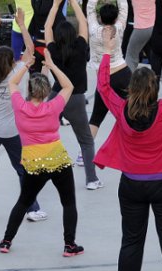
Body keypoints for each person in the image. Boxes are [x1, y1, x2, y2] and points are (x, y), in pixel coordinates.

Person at [93, 11, 162, 270]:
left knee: (131, 243)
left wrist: (107, 51)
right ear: (155, 89)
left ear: (131, 89)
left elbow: (104, 86)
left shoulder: (121, 110)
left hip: (131, 185)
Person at [0, 49, 83, 257]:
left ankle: (7, 241)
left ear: (29, 89)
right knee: (68, 202)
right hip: (58, 160)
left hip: (34, 163)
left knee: (23, 201)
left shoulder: (20, 106)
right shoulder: (53, 107)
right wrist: (52, 66)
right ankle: (69, 244)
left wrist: (25, 66)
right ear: (46, 92)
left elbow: (12, 84)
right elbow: (68, 86)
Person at [0, 10, 48, 221]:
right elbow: (30, 49)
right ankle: (32, 209)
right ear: (11, 61)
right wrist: (23, 25)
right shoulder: (17, 74)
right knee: (23, 170)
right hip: (11, 131)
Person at [45, 0, 102, 190]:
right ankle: (91, 179)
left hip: (56, 96)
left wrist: (55, 5)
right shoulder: (80, 47)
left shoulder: (52, 50)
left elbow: (47, 26)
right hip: (76, 98)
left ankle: (39, 170)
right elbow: (83, 23)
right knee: (85, 141)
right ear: (73, 35)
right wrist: (74, 3)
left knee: (42, 134)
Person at [87, 0, 131, 139]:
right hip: (122, 74)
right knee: (133, 114)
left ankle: (83, 155)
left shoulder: (93, 30)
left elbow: (90, 7)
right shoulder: (118, 28)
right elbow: (124, 7)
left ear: (100, 18)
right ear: (116, 18)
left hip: (103, 79)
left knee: (95, 118)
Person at [125, 0, 155, 71]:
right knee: (157, 56)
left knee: (131, 57)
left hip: (141, 28)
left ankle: (128, 80)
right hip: (154, 27)